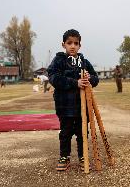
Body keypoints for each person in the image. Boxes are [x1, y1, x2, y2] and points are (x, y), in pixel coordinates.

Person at [47, 29, 99, 171]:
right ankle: (65, 157)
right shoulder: (59, 60)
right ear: (63, 44)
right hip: (64, 106)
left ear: (79, 46)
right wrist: (74, 82)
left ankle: (83, 156)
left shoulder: (84, 62)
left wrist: (89, 79)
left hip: (82, 107)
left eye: (76, 43)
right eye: (69, 43)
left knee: (82, 132)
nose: (72, 46)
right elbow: (53, 77)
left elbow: (95, 79)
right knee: (65, 133)